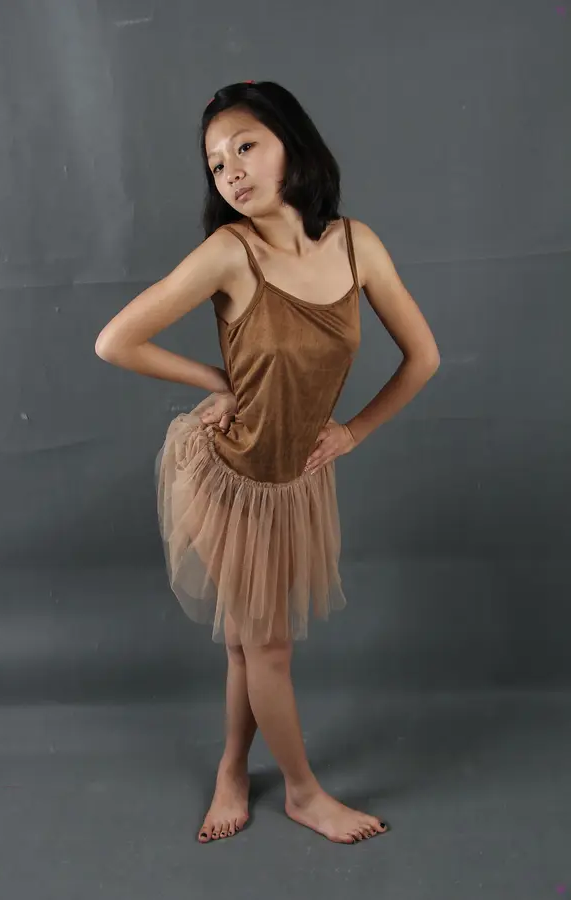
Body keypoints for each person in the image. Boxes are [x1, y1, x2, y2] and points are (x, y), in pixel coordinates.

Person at [95, 80, 440, 845]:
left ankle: (231, 767)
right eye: (217, 164)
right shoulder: (231, 252)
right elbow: (114, 340)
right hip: (230, 476)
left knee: (249, 646)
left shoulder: (356, 244)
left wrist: (353, 432)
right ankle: (304, 794)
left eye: (246, 146)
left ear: (294, 144)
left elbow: (423, 357)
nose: (232, 171)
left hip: (294, 481)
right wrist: (216, 381)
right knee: (268, 647)